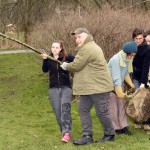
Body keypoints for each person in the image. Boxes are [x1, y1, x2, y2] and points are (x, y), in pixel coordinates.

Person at [60, 27, 115, 145]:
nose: (77, 39)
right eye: (76, 38)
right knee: (83, 109)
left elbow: (76, 65)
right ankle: (87, 136)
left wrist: (66, 66)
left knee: (102, 112)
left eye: (79, 37)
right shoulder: (88, 47)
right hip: (90, 87)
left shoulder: (88, 48)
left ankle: (110, 134)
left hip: (99, 87)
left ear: (86, 35)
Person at [41, 40, 74, 143]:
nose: (54, 49)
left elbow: (78, 62)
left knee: (65, 109)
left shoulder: (66, 57)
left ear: (60, 48)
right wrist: (45, 60)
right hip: (53, 88)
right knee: (57, 111)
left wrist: (68, 64)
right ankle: (64, 129)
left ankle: (66, 133)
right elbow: (45, 70)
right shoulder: (49, 58)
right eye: (53, 47)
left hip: (66, 87)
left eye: (56, 47)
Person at [108, 41, 137, 135]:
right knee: (113, 107)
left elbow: (125, 73)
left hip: (119, 84)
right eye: (131, 55)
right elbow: (116, 78)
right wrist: (120, 93)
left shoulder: (128, 58)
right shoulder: (116, 59)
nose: (132, 57)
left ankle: (124, 126)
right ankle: (115, 128)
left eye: (134, 55)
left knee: (122, 106)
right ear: (125, 53)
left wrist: (131, 84)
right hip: (111, 85)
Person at [132, 28, 150, 131]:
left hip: (145, 77)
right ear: (133, 38)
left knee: (146, 100)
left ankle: (147, 122)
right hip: (135, 76)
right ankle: (137, 120)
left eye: (140, 38)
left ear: (143, 38)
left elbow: (145, 67)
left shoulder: (147, 49)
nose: (138, 40)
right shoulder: (132, 47)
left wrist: (143, 83)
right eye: (136, 38)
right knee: (136, 100)